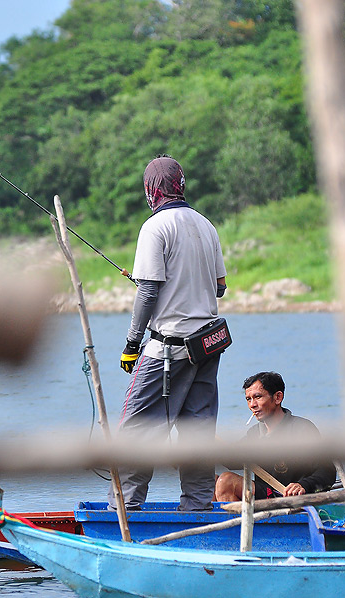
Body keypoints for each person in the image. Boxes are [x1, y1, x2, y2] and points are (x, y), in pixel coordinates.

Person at [110, 155, 228, 512]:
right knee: (197, 433)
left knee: (135, 431)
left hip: (169, 350)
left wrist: (132, 344)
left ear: (150, 191)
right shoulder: (206, 225)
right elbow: (220, 287)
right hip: (208, 344)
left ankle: (126, 511)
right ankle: (197, 507)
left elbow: (148, 293)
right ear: (181, 183)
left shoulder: (155, 227)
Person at [214, 372, 336, 501]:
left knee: (226, 481)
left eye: (258, 397)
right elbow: (233, 461)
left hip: (291, 498)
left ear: (278, 397)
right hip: (265, 493)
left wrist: (303, 485)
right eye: (248, 399)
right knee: (210, 482)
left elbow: (327, 472)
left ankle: (241, 521)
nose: (252, 405)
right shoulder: (254, 434)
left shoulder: (302, 429)